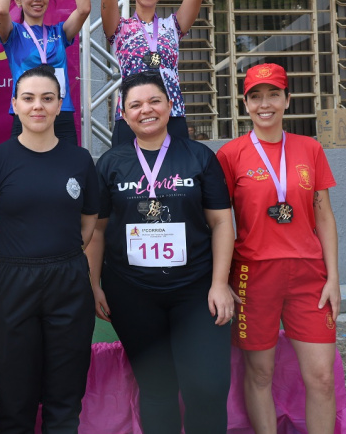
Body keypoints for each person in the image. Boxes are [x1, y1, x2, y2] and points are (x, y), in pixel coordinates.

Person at [86, 71, 236, 433]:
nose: (146, 110)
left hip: (195, 290)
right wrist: (93, 284)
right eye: (135, 105)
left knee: (207, 388)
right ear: (124, 114)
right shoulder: (110, 163)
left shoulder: (199, 157)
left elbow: (221, 223)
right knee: (157, 390)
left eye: (154, 101)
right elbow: (97, 232)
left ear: (170, 106)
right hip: (132, 293)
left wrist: (219, 283)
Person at [0, 65, 99, 433]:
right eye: (28, 98)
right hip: (13, 284)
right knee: (13, 401)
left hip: (69, 282)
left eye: (47, 98)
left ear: (60, 105)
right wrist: (13, 264)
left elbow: (89, 221)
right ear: (14, 104)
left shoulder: (79, 160)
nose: (37, 106)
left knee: (65, 398)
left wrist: (64, 257)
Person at [216, 63, 340, 434]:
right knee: (260, 373)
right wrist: (220, 280)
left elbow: (325, 217)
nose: (264, 104)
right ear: (245, 103)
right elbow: (221, 223)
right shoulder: (231, 155)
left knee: (320, 377)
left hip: (309, 277)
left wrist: (334, 278)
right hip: (253, 276)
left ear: (287, 99)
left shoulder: (310, 149)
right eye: (256, 96)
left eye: (273, 94)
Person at [101, 0, 205, 145]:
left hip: (172, 113)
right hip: (131, 116)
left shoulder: (172, 26)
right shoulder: (120, 28)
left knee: (175, 179)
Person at [0, 0, 91, 145]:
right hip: (27, 112)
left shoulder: (59, 32)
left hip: (60, 111)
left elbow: (84, 9)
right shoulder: (14, 34)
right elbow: (1, 10)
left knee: (66, 174)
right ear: (18, 0)